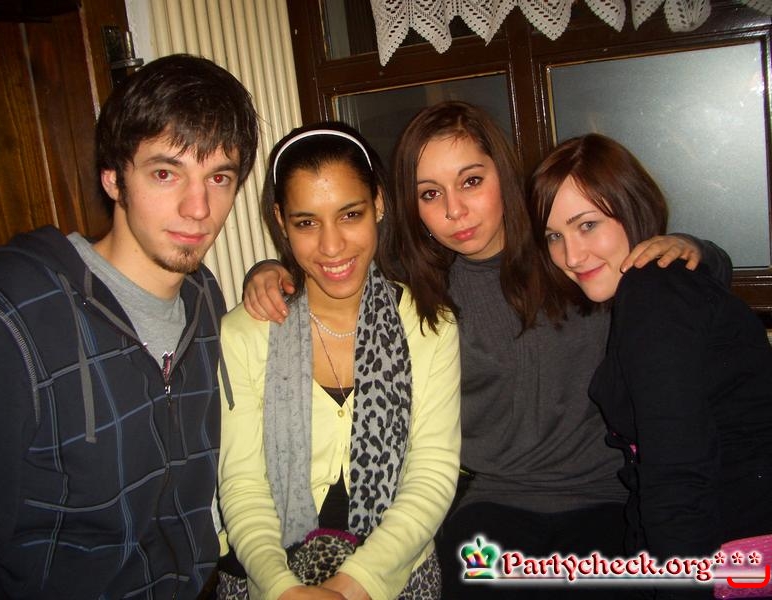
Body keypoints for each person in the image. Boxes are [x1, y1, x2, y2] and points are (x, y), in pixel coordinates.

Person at [240, 102, 729, 599]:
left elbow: (676, 283)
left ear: (504, 174)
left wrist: (695, 249)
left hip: (607, 500)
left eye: (471, 181)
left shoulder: (569, 254)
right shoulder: (419, 288)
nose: (454, 211)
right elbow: (333, 260)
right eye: (431, 194)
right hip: (493, 504)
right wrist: (268, 271)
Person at [0, 54, 259, 599]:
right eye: (165, 173)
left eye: (218, 177)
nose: (198, 208)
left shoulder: (204, 297)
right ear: (113, 178)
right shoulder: (8, 312)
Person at [217, 122, 461, 600]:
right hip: (268, 578)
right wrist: (282, 588)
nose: (332, 247)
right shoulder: (245, 333)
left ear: (378, 204)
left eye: (350, 214)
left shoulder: (429, 325)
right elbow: (242, 486)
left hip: (394, 574)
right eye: (307, 223)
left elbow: (431, 474)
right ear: (281, 220)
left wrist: (356, 584)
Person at [528, 133, 772, 598]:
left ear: (632, 207)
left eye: (587, 225)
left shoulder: (652, 296)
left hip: (731, 554)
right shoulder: (662, 285)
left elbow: (678, 474)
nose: (571, 256)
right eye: (555, 236)